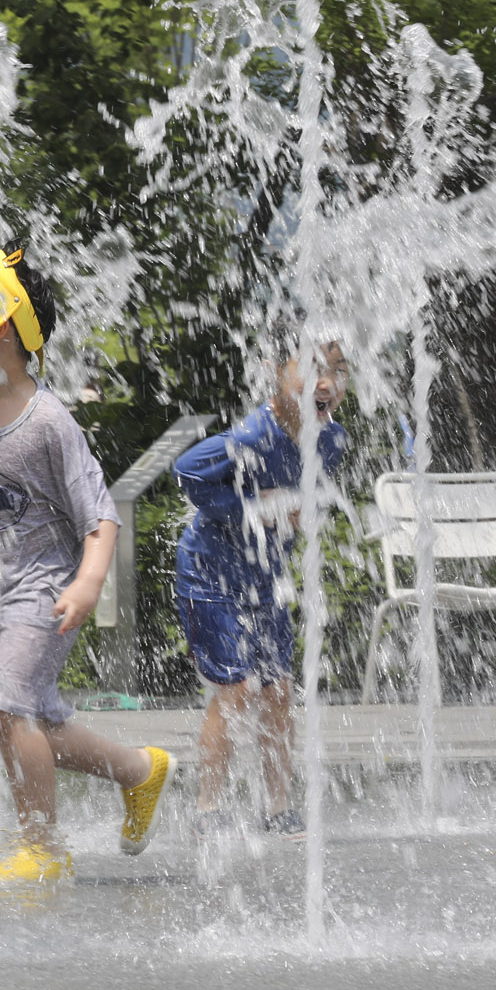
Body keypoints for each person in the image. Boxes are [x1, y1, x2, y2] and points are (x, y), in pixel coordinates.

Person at [0, 243, 175, 890]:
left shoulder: (49, 423)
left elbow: (101, 514)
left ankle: (42, 844)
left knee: (5, 701)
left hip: (45, 587)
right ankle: (141, 770)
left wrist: (88, 581)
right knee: (36, 720)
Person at [172, 342, 349, 842]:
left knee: (277, 691)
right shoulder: (255, 433)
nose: (327, 382)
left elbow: (310, 497)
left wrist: (301, 510)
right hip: (209, 575)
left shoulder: (330, 441)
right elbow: (185, 472)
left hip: (264, 580)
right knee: (236, 688)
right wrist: (252, 506)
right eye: (313, 368)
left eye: (339, 371)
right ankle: (208, 809)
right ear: (278, 373)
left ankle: (278, 807)